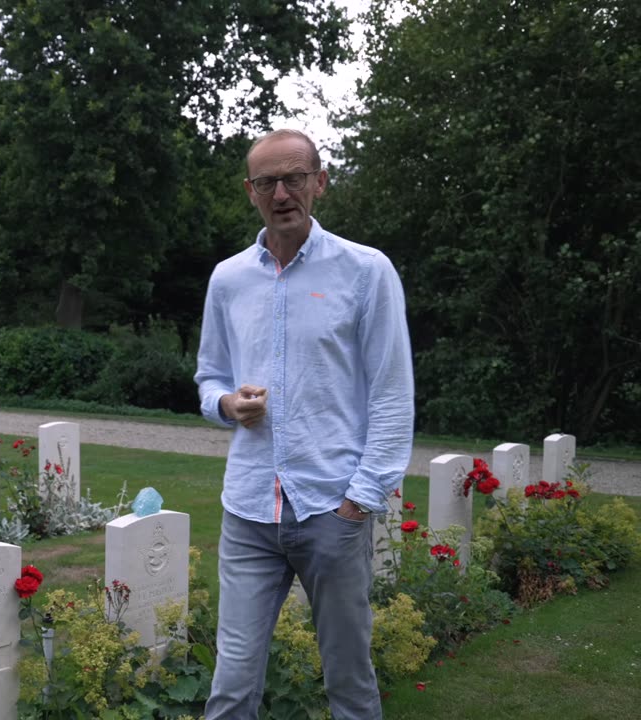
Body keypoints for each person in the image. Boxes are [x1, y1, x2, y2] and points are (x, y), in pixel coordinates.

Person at [194, 129, 414, 719]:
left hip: (330, 509)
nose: (282, 192)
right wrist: (227, 406)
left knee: (348, 677)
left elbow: (392, 396)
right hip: (248, 509)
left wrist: (360, 501)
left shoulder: (366, 272)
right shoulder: (228, 279)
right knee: (232, 682)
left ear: (319, 181)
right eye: (267, 182)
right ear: (250, 191)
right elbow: (208, 379)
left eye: (294, 178)